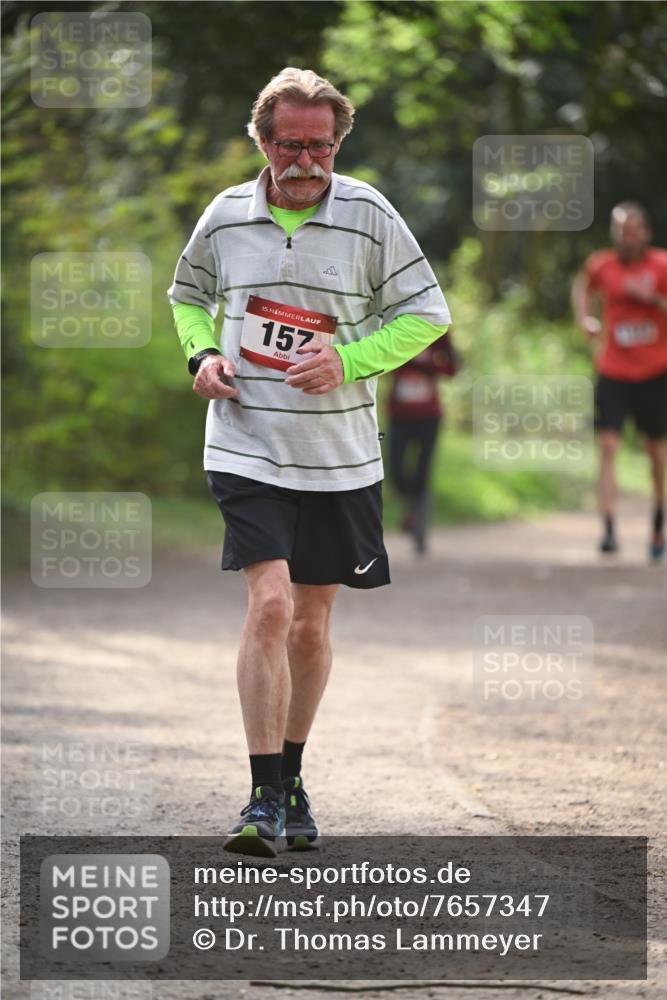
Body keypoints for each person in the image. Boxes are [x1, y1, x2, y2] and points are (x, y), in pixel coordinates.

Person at [167, 68, 451, 856]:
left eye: (320, 146)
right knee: (270, 607)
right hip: (246, 440)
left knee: (313, 623)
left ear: (337, 144)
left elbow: (428, 313)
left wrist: (353, 359)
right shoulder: (224, 218)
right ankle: (261, 799)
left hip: (339, 456)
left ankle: (291, 778)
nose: (305, 160)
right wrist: (199, 353)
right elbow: (186, 294)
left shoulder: (369, 215)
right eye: (290, 144)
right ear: (262, 141)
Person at [572, 202, 667, 560]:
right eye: (618, 231)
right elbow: (583, 286)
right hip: (613, 369)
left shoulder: (661, 264)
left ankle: (658, 519)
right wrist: (585, 318)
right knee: (608, 446)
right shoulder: (601, 264)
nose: (624, 237)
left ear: (645, 232)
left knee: (655, 451)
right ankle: (609, 528)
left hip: (655, 371)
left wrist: (653, 299)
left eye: (631, 231)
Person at [388, 331, 458, 554]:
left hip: (429, 416)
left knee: (422, 472)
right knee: (396, 470)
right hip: (399, 415)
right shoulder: (395, 328)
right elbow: (383, 364)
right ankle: (410, 509)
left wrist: (430, 363)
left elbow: (452, 368)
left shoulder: (439, 333)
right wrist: (409, 359)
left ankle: (419, 530)